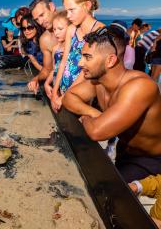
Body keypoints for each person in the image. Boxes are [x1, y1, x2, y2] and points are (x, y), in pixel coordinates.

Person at [62, 25, 161, 183]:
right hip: (125, 153)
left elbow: (97, 132)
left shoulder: (139, 86)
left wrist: (84, 116)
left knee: (104, 191)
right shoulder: (98, 81)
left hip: (152, 160)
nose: (80, 63)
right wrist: (94, 113)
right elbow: (68, 97)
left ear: (110, 60)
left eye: (87, 57)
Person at [51, 0, 104, 112]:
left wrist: (65, 97)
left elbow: (87, 70)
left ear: (87, 5)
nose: (68, 16)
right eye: (66, 11)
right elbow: (64, 61)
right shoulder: (71, 29)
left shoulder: (99, 31)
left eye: (71, 10)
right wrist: (55, 91)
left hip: (81, 91)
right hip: (63, 87)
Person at [27, 0, 58, 94]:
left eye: (42, 15)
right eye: (36, 19)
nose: (40, 22)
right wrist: (36, 79)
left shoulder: (73, 23)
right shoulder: (45, 39)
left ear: (51, 6)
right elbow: (47, 69)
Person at [44, 10, 71, 99]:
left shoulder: (74, 49)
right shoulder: (55, 49)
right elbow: (54, 70)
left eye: (60, 29)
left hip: (70, 94)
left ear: (71, 28)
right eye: (54, 29)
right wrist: (47, 83)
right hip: (58, 91)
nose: (56, 33)